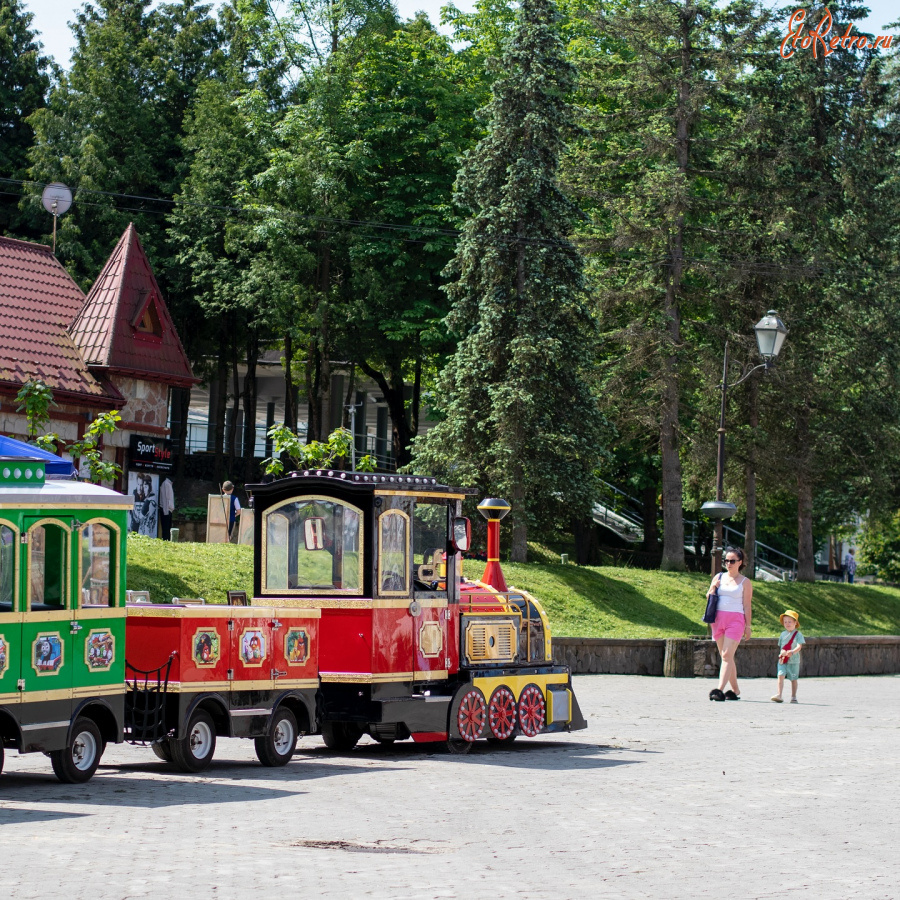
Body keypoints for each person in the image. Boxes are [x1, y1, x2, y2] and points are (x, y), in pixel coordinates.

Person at [707, 546, 753, 701]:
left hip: (736, 620)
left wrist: (748, 626)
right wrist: (713, 588)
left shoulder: (745, 582)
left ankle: (719, 690)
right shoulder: (719, 577)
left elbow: (747, 605)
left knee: (726, 655)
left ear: (740, 562)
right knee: (726, 656)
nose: (728, 563)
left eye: (732, 561)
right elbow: (709, 596)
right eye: (726, 560)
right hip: (718, 619)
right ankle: (735, 690)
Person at [771, 610, 805, 703]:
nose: (787, 624)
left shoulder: (798, 634)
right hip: (783, 660)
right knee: (780, 675)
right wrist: (782, 652)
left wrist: (792, 652)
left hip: (793, 661)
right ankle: (779, 694)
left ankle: (793, 696)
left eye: (790, 621)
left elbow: (799, 646)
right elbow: (781, 646)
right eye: (785, 622)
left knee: (793, 679)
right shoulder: (783, 634)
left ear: (795, 623)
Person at [159, 476, 175, 541]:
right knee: (166, 527)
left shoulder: (169, 484)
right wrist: (166, 512)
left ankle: (167, 539)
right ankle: (165, 540)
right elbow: (165, 498)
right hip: (166, 510)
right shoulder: (166, 484)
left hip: (168, 510)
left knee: (168, 527)